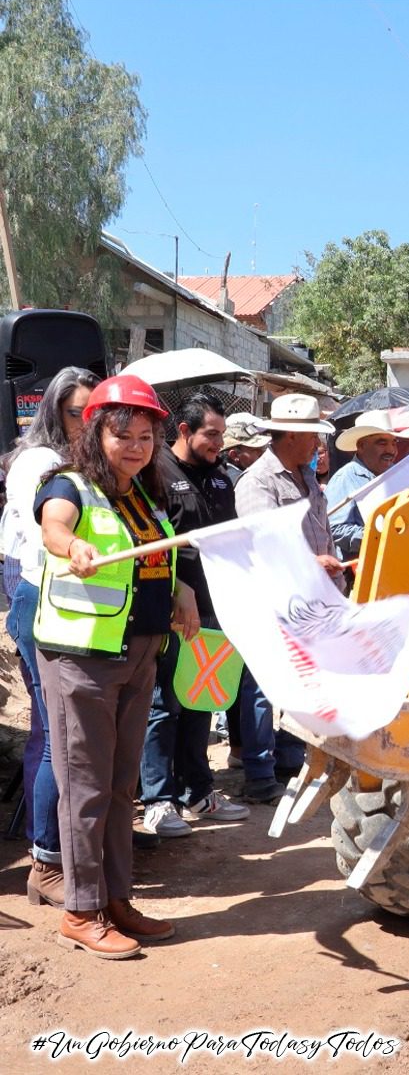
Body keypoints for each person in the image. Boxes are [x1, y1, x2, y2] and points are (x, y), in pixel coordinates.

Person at [33, 374, 200, 958]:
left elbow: (155, 559)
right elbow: (54, 524)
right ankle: (80, 909)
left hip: (140, 654)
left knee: (121, 785)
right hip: (83, 659)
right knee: (86, 787)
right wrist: (69, 544)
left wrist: (181, 591)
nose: (135, 446)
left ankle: (115, 899)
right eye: (122, 434)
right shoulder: (70, 486)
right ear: (94, 432)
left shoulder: (142, 496)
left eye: (146, 436)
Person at [4, 368, 100, 906]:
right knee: (50, 739)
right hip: (43, 599)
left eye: (94, 414)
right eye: (75, 413)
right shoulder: (43, 463)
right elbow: (49, 537)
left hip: (65, 602)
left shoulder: (76, 461)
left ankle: (69, 846)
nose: (86, 424)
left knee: (66, 737)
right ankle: (46, 860)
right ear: (53, 413)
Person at [140, 394, 249, 838]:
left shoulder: (223, 479)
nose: (218, 444)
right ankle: (157, 799)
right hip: (170, 610)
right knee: (164, 705)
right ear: (184, 431)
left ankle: (198, 792)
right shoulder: (157, 474)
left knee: (200, 699)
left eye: (221, 435)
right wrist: (172, 595)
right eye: (211, 434)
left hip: (214, 610)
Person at [234, 393, 345, 800]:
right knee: (264, 687)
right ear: (293, 434)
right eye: (313, 435)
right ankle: (260, 774)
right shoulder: (258, 482)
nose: (318, 444)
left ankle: (288, 759)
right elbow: (261, 543)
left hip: (311, 601)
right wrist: (314, 563)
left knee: (300, 682)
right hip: (274, 600)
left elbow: (320, 531)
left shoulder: (306, 477)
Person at [325, 410, 409, 559]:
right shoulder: (345, 477)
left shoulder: (395, 473)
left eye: (393, 442)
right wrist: (377, 534)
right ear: (361, 446)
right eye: (382, 443)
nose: (391, 450)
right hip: (361, 570)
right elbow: (333, 528)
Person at [220, 413, 270, 485]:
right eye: (255, 450)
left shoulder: (223, 474)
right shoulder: (244, 481)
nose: (261, 453)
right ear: (234, 455)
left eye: (261, 448)